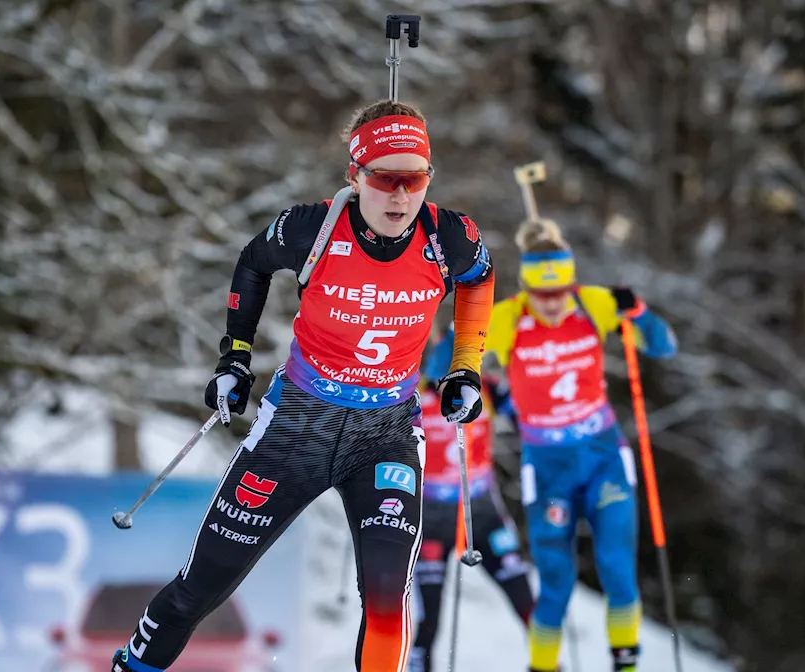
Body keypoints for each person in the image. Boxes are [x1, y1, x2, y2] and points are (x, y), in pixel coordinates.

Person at [111, 100, 496, 672]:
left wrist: (465, 365)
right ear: (355, 175)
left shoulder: (449, 236)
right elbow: (252, 261)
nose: (400, 196)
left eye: (414, 180)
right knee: (202, 587)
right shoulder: (311, 228)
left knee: (389, 600)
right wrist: (234, 357)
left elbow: (479, 280)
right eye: (384, 178)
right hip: (297, 426)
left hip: (385, 434)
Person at [483, 218, 677, 672]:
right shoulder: (506, 317)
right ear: (526, 288)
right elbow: (444, 360)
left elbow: (663, 346)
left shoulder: (593, 303)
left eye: (561, 293)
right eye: (542, 296)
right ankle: (543, 667)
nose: (553, 306)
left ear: (573, 284)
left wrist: (639, 311)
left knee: (617, 569)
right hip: (547, 465)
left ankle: (625, 665)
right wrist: (478, 385)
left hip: (602, 457)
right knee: (555, 584)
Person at [408, 325, 534, 672]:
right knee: (428, 617)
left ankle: (548, 663)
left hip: (482, 511)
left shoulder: (488, 389)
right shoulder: (412, 395)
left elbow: (531, 413)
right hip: (431, 516)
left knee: (524, 597)